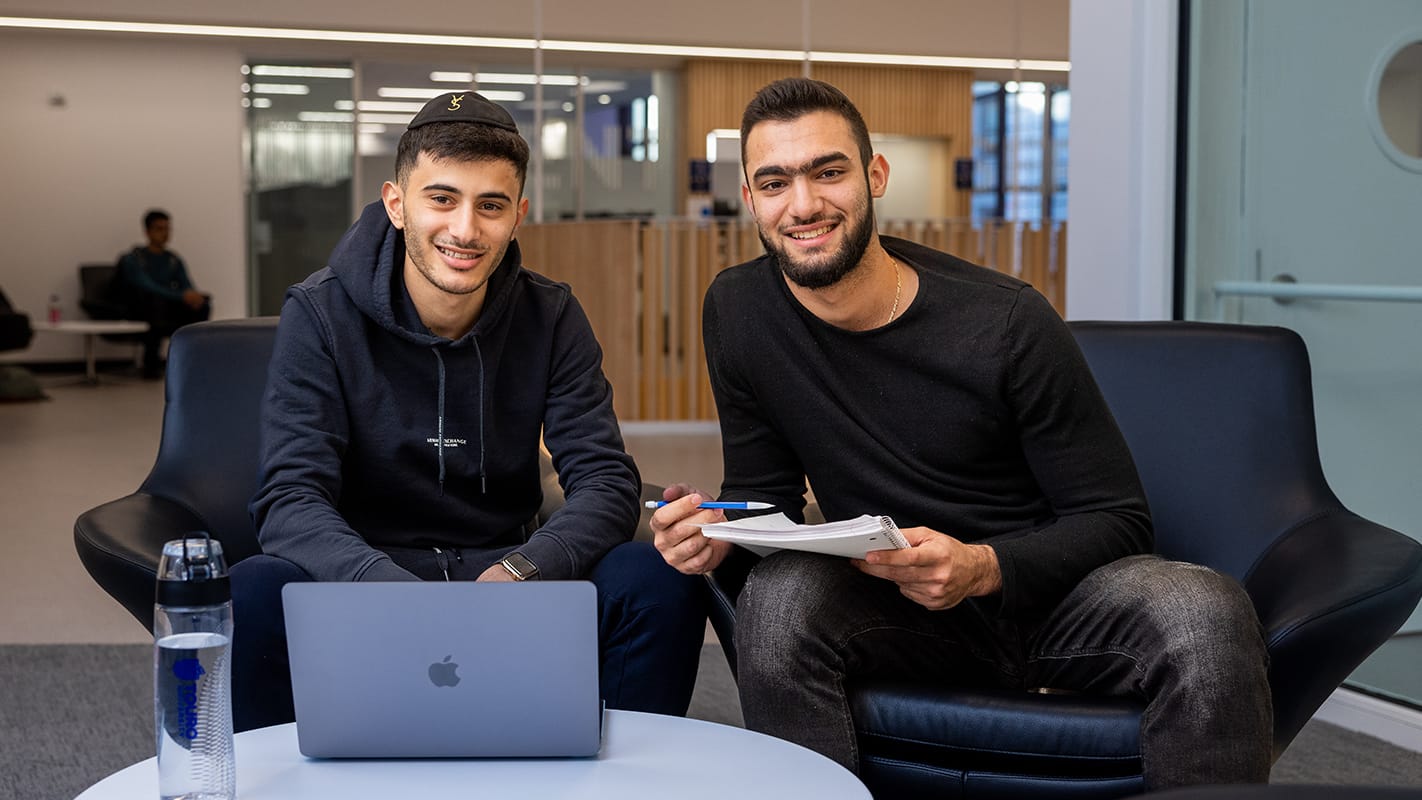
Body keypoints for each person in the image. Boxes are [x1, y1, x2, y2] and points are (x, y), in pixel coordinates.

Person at [650, 77, 1271, 790]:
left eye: (829, 172)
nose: (805, 204)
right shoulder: (739, 309)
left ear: (874, 176)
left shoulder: (1005, 321)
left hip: (1052, 604)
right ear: (751, 196)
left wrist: (982, 565)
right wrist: (713, 534)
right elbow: (764, 498)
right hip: (895, 607)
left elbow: (1119, 520)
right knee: (780, 597)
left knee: (1203, 609)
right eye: (775, 181)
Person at [232, 91, 706, 732]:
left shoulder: (551, 314)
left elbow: (604, 480)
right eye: (442, 198)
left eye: (491, 206)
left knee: (652, 576)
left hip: (507, 571)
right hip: (366, 578)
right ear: (396, 204)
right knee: (254, 587)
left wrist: (522, 570)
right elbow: (290, 499)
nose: (465, 229)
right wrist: (389, 589)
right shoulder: (319, 314)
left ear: (519, 216)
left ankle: (624, 777)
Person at [115, 209, 211, 378]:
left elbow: (186, 285)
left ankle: (194, 360)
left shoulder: (173, 259)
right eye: (159, 229)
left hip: (166, 306)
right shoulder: (133, 259)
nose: (165, 233)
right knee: (155, 304)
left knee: (202, 304)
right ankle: (150, 364)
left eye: (167, 228)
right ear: (147, 232)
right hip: (141, 308)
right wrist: (181, 296)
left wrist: (193, 296)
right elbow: (147, 286)